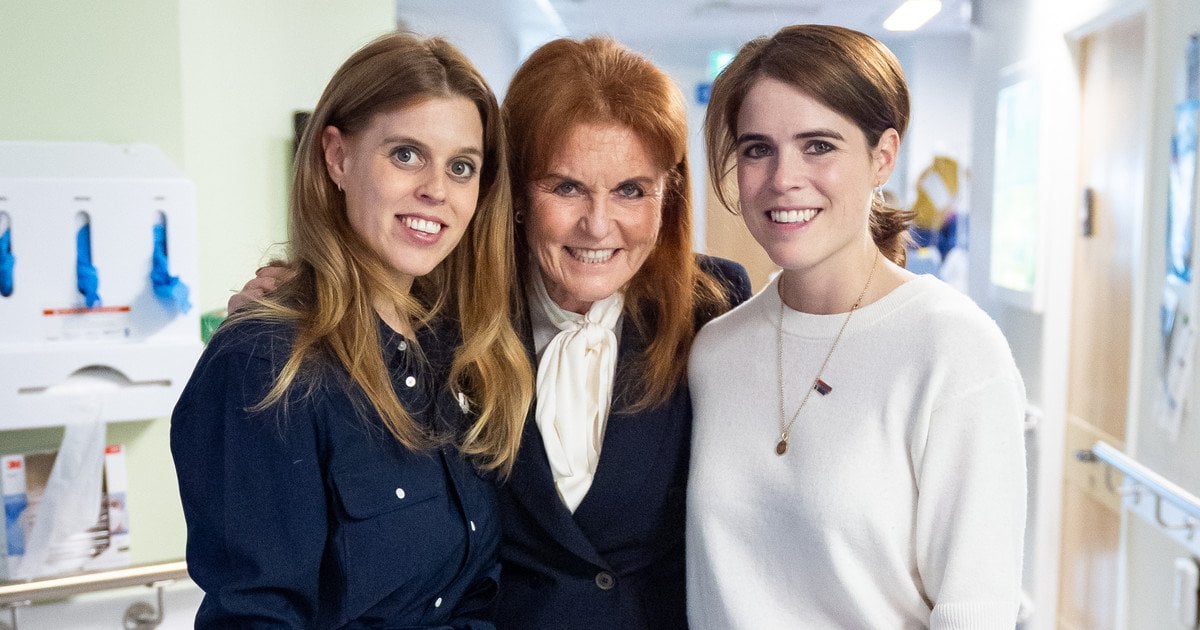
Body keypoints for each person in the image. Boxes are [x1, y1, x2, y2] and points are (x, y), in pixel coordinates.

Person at [233, 36, 751, 629]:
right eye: (566, 187)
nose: (598, 224)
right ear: (517, 191)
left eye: (631, 190)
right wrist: (300, 295)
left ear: (668, 194)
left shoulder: (713, 305)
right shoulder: (435, 312)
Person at [171, 32, 532, 629]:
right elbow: (256, 615)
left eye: (461, 167)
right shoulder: (266, 362)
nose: (436, 190)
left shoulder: (456, 350)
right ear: (337, 157)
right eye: (406, 155)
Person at [687, 24, 1027, 629]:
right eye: (757, 149)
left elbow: (975, 610)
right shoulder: (714, 350)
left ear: (883, 156)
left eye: (818, 145)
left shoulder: (953, 349)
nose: (783, 178)